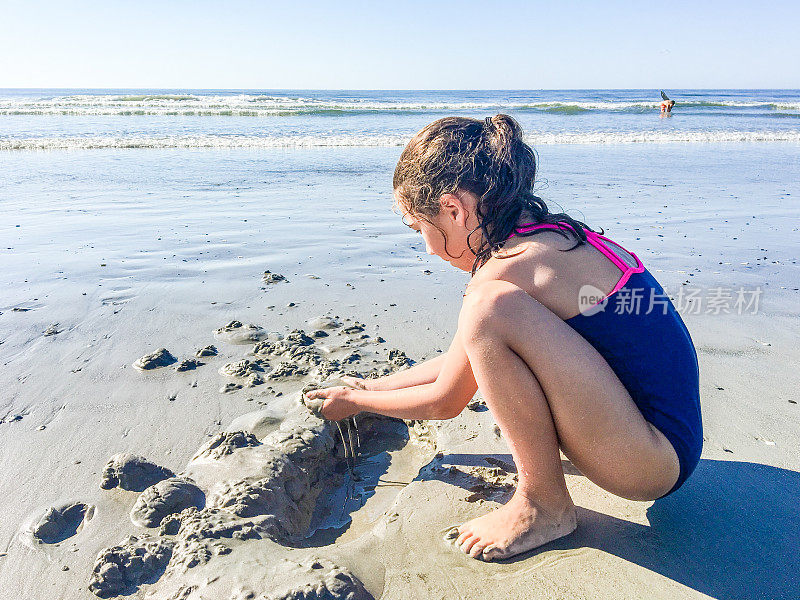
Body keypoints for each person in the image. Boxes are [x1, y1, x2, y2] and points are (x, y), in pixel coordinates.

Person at [305, 115, 702, 562]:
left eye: (420, 229)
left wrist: (358, 404)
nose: (429, 249)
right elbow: (470, 357)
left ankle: (544, 503)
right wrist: (372, 386)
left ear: (454, 210)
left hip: (644, 463)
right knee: (486, 317)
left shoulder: (507, 272)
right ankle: (546, 496)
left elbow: (444, 400)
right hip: (670, 445)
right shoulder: (552, 238)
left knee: (485, 310)